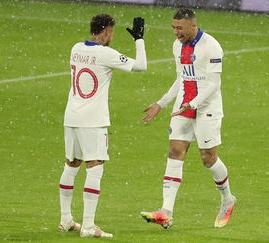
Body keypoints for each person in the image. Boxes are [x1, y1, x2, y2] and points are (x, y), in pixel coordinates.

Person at [140, 8, 236, 229]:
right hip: (183, 107)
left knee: (208, 158)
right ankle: (166, 212)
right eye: (173, 28)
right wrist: (160, 103)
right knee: (175, 152)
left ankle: (228, 199)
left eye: (180, 28)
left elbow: (214, 84)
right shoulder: (177, 46)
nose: (176, 33)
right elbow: (181, 78)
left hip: (206, 108)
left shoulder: (211, 46)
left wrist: (192, 103)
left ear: (193, 25)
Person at [58, 14, 146, 238]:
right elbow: (141, 66)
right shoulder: (106, 54)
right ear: (106, 31)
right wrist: (139, 39)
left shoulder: (76, 48)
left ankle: (66, 218)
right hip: (93, 120)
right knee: (95, 168)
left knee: (71, 165)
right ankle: (88, 225)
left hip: (72, 116)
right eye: (112, 32)